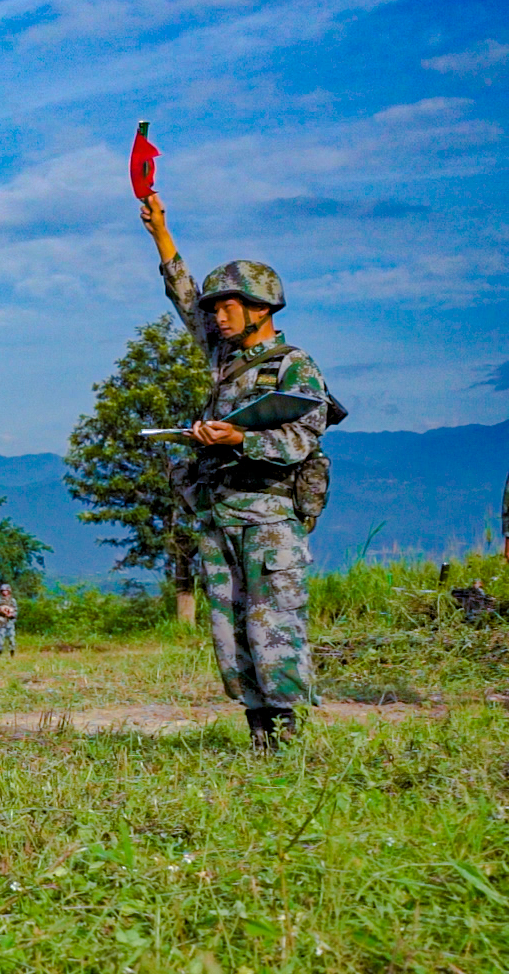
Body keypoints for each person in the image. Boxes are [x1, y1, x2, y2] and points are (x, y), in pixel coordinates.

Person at [142, 193, 334, 749]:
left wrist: (240, 437)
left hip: (270, 518)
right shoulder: (223, 360)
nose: (217, 316)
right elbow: (185, 301)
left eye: (228, 306)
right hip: (219, 515)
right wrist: (161, 234)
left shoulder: (294, 365)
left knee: (273, 627)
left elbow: (301, 437)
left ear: (262, 308)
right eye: (215, 307)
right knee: (230, 633)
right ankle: (257, 736)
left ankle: (288, 742)